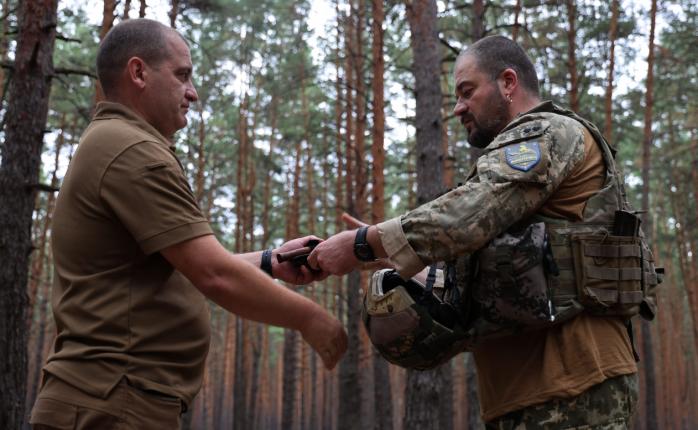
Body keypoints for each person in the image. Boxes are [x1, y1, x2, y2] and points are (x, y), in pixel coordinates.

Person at [309, 35, 642, 428]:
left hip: (573, 387)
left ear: (507, 82)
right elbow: (505, 269)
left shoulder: (546, 134)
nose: (457, 108)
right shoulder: (525, 156)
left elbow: (472, 211)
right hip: (528, 393)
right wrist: (391, 257)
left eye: (467, 92)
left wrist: (364, 244)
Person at [30, 19, 347, 429]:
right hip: (111, 403)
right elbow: (212, 274)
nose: (193, 93)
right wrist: (311, 319)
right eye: (182, 76)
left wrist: (270, 261)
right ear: (139, 72)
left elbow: (182, 267)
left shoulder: (114, 141)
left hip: (112, 400)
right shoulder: (132, 150)